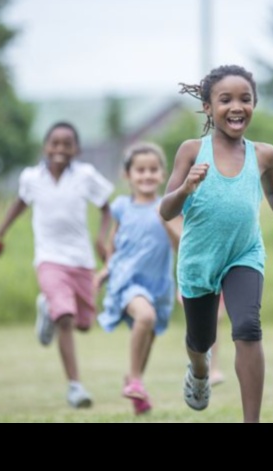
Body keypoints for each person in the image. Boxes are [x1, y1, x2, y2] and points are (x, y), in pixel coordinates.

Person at [160, 64, 273, 423]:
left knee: (247, 327)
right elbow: (165, 210)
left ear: (254, 104)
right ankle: (198, 372)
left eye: (245, 98)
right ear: (209, 108)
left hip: (245, 254)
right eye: (225, 99)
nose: (236, 106)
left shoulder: (264, 155)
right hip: (198, 261)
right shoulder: (192, 150)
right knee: (200, 341)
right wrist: (186, 188)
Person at [0, 121, 114, 409]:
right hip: (49, 259)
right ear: (45, 147)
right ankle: (75, 386)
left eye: (67, 143)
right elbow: (19, 204)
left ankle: (46, 307)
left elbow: (107, 207)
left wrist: (102, 238)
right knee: (66, 319)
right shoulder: (31, 177)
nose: (60, 149)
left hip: (81, 260)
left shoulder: (86, 175)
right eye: (54, 143)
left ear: (77, 149)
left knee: (83, 324)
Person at [96, 142, 182, 416]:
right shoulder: (121, 206)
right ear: (128, 175)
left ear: (162, 174)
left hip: (159, 285)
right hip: (127, 280)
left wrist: (165, 221)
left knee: (149, 337)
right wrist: (105, 270)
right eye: (140, 170)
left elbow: (181, 245)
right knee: (145, 317)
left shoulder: (168, 207)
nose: (147, 175)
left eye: (153, 170)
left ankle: (135, 386)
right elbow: (114, 245)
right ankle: (135, 379)